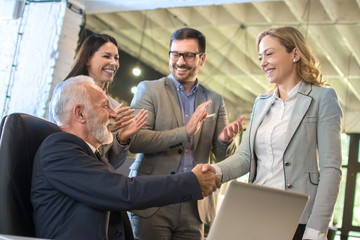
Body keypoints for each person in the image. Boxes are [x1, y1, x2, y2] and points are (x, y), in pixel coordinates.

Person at [31, 75, 221, 240]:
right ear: (81, 113)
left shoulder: (90, 154)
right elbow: (125, 192)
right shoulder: (58, 148)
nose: (115, 114)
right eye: (106, 106)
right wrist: (191, 182)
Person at [203, 26, 343, 240]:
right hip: (256, 212)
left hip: (298, 218)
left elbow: (331, 170)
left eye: (269, 54)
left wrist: (317, 229)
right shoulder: (262, 102)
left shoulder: (323, 98)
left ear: (295, 54)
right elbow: (244, 157)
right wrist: (214, 170)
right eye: (260, 57)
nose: (263, 63)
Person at [128, 27, 245, 240]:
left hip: (195, 205)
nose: (180, 61)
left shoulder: (215, 100)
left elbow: (225, 158)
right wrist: (185, 132)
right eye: (175, 54)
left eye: (189, 55)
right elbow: (135, 140)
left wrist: (224, 142)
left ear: (202, 59)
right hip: (153, 200)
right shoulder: (149, 90)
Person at [49, 33, 141, 168]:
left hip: (97, 177)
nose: (114, 63)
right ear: (87, 59)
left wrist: (121, 139)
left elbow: (112, 164)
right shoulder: (66, 91)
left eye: (116, 58)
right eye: (106, 56)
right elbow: (61, 141)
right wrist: (102, 131)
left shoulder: (114, 107)